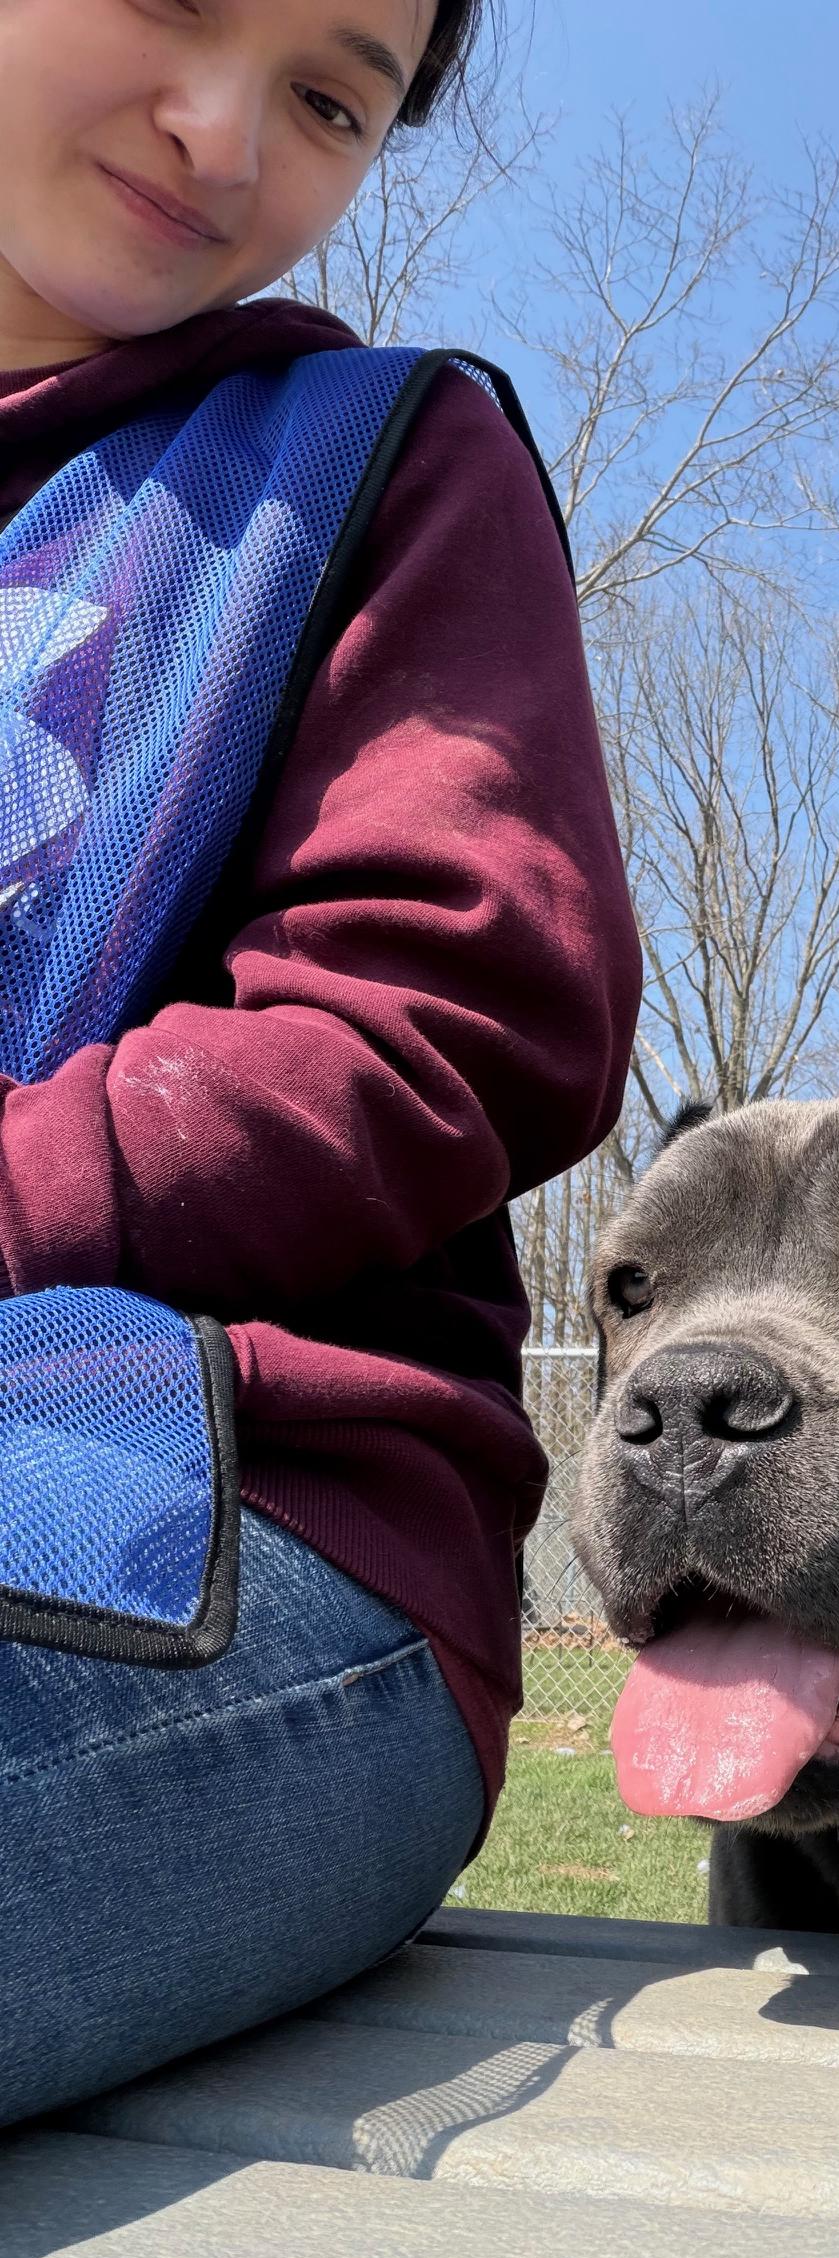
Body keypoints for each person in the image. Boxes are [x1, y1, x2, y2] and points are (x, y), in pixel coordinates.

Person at [0, 0, 638, 2127]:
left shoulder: (375, 466)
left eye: (332, 97)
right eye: (176, 5)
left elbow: (451, 1005)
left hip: (244, 1511)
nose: (219, 131)